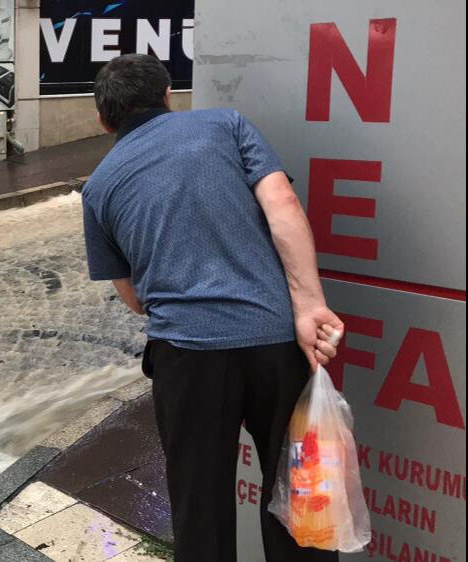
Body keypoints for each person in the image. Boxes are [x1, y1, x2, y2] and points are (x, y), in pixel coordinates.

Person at [82, 54, 345, 562]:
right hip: (276, 343)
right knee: (300, 495)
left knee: (199, 505)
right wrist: (310, 305)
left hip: (186, 358)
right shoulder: (226, 125)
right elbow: (283, 206)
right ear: (167, 97)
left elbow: (134, 300)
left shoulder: (98, 188)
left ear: (104, 121)